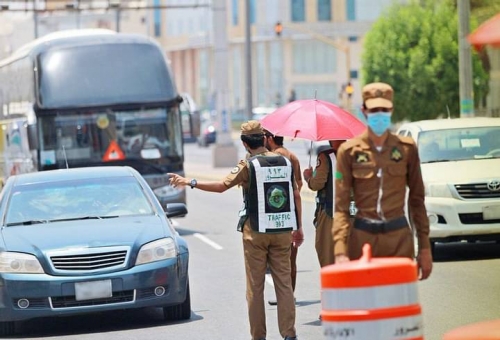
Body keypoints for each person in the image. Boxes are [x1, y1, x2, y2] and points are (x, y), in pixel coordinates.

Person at [168, 120, 303, 340]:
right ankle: (289, 334)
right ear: (263, 139)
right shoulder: (285, 162)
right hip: (282, 231)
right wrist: (298, 228)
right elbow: (296, 194)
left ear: (244, 143)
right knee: (284, 285)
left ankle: (258, 336)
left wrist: (189, 182)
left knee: (255, 288)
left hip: (256, 233)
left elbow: (221, 186)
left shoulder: (248, 166)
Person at [333, 82, 433, 280]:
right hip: (363, 239)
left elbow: (417, 200)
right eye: (374, 110)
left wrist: (424, 247)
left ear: (391, 110)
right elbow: (341, 207)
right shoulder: (349, 151)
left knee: (399, 304)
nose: (379, 114)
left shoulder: (406, 148)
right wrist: (340, 250)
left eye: (384, 110)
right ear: (364, 111)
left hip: (398, 240)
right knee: (366, 305)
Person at [263, 129, 303, 306]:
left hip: (276, 215)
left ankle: (283, 296)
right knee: (291, 259)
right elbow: (299, 185)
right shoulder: (292, 156)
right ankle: (289, 294)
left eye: (265, 137)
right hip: (292, 213)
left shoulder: (271, 158)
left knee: (277, 260)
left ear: (270, 139)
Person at [303, 139, 345, 267]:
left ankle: (333, 285)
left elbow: (317, 184)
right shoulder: (356, 155)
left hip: (330, 213)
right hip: (354, 213)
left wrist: (308, 178)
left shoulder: (327, 156)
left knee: (327, 254)